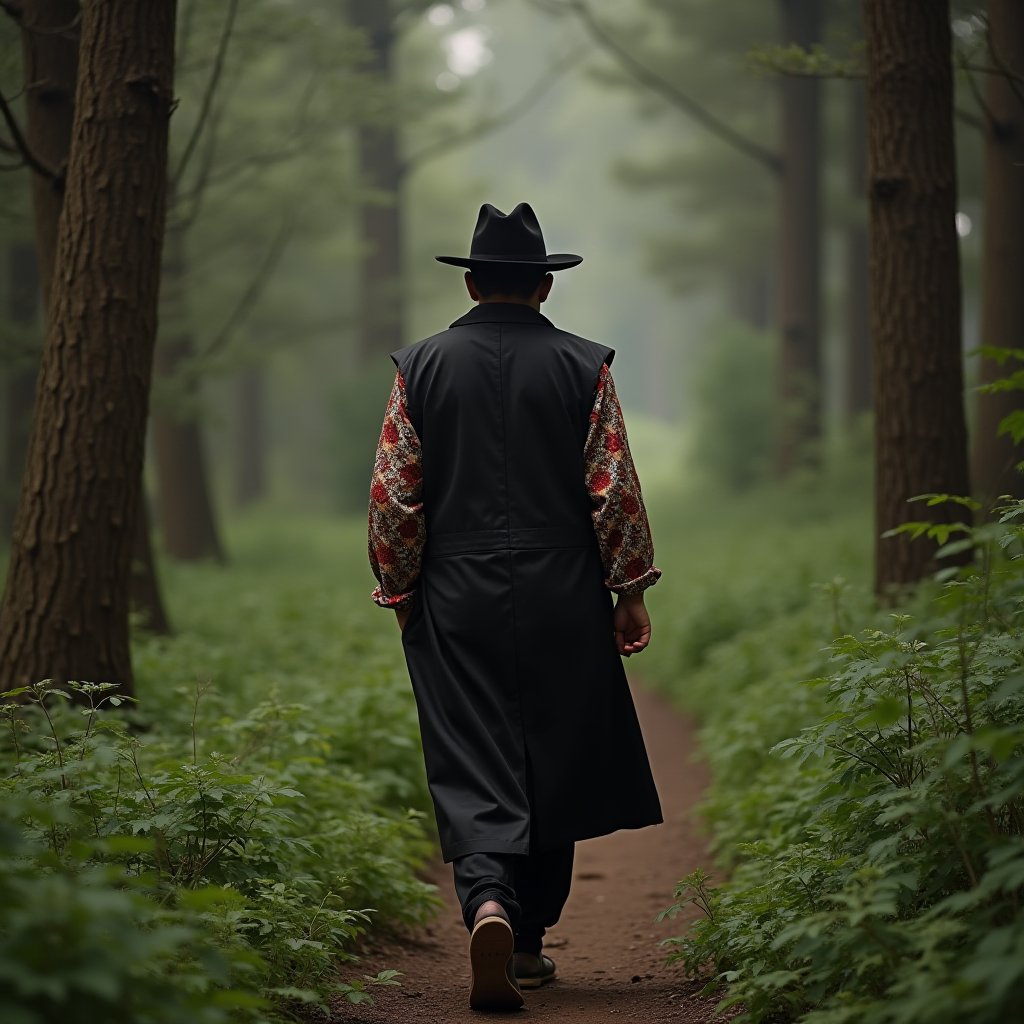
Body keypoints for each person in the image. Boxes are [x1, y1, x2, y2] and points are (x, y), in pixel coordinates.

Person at [368, 203, 663, 1011]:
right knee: (553, 752)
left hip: (455, 594)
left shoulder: (419, 368)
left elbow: (395, 497)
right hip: (564, 591)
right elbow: (615, 493)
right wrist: (628, 591)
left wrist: (401, 593)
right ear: (543, 285)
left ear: (468, 282)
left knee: (472, 753)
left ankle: (487, 901)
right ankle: (527, 940)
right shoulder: (584, 367)